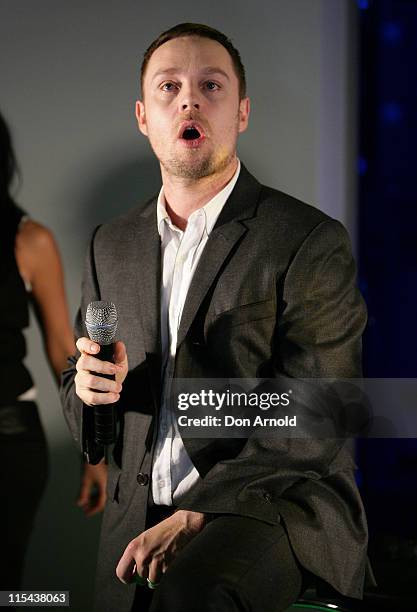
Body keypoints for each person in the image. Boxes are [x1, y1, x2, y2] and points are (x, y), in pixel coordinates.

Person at [61, 23, 372, 612]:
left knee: (192, 595)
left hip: (271, 505)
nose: (189, 98)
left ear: (242, 113)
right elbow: (85, 416)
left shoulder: (307, 238)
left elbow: (326, 405)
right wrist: (87, 391)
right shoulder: (111, 244)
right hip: (134, 517)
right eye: (169, 87)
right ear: (144, 117)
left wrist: (199, 510)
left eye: (211, 86)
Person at [0, 110, 107, 591]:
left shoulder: (29, 240)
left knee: (9, 586)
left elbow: (64, 350)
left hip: (8, 442)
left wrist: (94, 449)